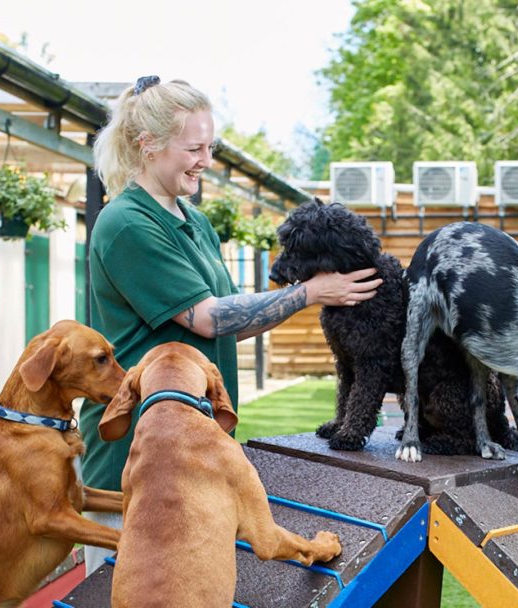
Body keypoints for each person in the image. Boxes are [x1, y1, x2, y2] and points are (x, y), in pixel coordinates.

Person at [80, 76, 381, 571]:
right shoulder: (126, 224)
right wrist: (309, 292)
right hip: (134, 461)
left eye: (210, 146)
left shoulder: (193, 222)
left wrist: (303, 296)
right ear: (148, 147)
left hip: (196, 451)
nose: (206, 160)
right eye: (193, 148)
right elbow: (206, 317)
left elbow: (229, 323)